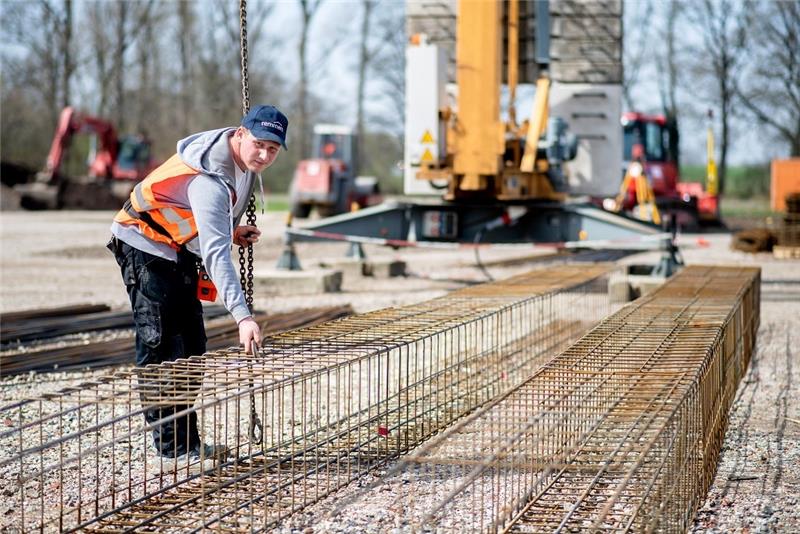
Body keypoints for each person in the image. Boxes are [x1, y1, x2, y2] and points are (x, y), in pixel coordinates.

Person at [107, 105, 289, 464]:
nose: (265, 155)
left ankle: (188, 444)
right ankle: (172, 450)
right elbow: (216, 255)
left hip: (176, 245)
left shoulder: (246, 169)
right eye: (259, 144)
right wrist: (242, 316)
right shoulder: (212, 179)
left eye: (274, 149)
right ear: (240, 134)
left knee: (191, 345)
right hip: (142, 242)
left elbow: (210, 227)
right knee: (161, 344)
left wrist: (231, 231)